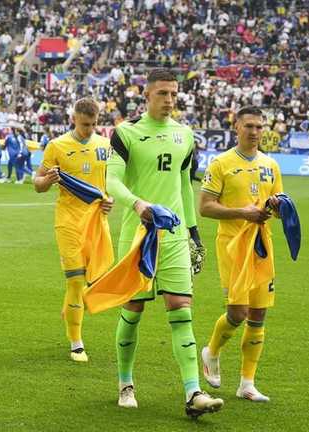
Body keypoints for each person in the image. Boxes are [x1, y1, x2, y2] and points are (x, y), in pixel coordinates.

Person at [106, 69, 222, 417]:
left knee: (180, 308)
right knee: (134, 310)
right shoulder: (126, 133)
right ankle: (125, 383)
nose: (169, 100)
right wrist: (137, 204)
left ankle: (193, 393)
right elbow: (110, 180)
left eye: (173, 93)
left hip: (173, 237)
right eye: (162, 94)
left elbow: (186, 186)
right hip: (138, 237)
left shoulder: (185, 135)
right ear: (147, 95)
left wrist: (193, 230)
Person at [199, 106, 284, 402]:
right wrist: (241, 213)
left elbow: (276, 206)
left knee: (259, 314)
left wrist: (275, 208)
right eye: (249, 126)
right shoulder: (220, 164)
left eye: (260, 127)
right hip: (232, 246)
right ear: (236, 127)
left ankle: (247, 383)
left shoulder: (271, 165)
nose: (255, 132)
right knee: (238, 313)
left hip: (261, 245)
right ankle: (211, 351)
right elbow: (205, 207)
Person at [33, 98, 114, 362]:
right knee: (76, 281)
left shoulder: (104, 145)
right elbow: (38, 183)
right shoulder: (57, 146)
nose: (89, 129)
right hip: (68, 220)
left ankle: (69, 309)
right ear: (73, 119)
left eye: (93, 124)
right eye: (84, 124)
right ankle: (76, 342)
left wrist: (110, 198)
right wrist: (48, 179)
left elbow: (111, 180)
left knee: (95, 280)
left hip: (96, 221)